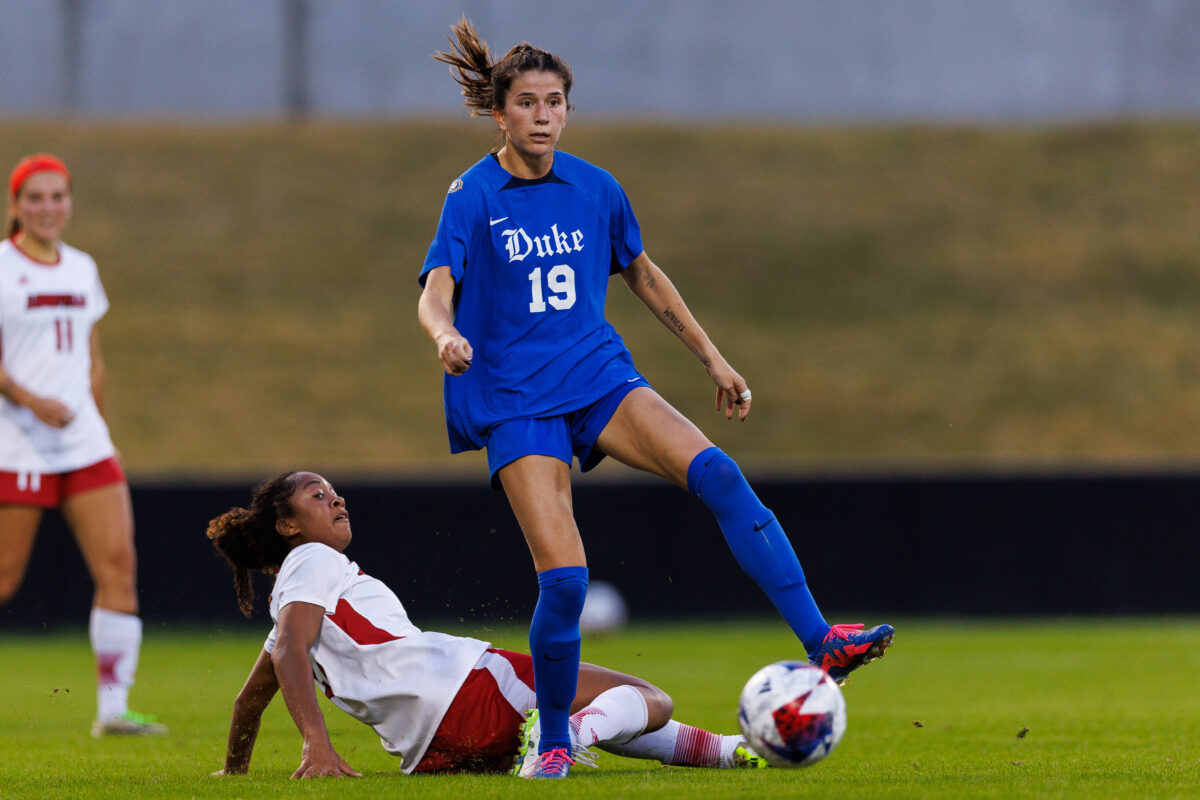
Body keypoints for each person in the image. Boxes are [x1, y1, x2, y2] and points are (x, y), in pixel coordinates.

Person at [417, 19, 893, 778]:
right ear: (500, 113)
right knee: (566, 580)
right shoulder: (472, 196)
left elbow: (641, 274)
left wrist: (714, 358)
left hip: (597, 377)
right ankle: (554, 743)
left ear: (567, 111)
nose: (544, 115)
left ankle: (822, 641)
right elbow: (436, 290)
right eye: (529, 103)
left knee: (720, 475)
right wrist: (443, 335)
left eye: (556, 102)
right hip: (515, 399)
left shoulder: (596, 187)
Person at [206, 471, 768, 778]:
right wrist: (317, 747)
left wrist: (234, 776)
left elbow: (248, 703)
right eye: (317, 494)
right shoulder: (313, 561)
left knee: (594, 709)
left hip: (434, 750)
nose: (336, 497)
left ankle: (724, 751)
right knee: (648, 698)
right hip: (466, 686)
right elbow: (288, 654)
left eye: (333, 490)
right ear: (287, 527)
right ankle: (559, 742)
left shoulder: (293, 604)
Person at [0, 154, 165, 737]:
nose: (48, 207)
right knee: (5, 577)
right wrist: (28, 398)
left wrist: (96, 417)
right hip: (18, 443)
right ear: (16, 206)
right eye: (35, 198)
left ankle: (113, 711)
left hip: (84, 444)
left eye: (57, 196)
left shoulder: (81, 267)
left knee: (119, 567)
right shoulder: (1, 268)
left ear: (70, 201)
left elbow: (92, 355)